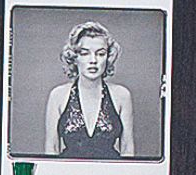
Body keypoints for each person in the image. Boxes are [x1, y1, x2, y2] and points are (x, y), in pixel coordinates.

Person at [43, 23, 135, 160]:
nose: (93, 61)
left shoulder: (122, 96)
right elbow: (51, 148)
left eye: (101, 54)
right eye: (85, 53)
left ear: (108, 57)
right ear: (74, 57)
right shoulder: (58, 96)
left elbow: (127, 148)